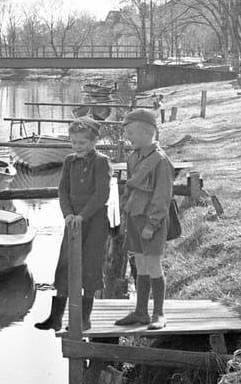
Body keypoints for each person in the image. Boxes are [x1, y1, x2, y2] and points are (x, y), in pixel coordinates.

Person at [35, 117, 111, 332]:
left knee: (90, 266)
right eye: (74, 142)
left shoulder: (101, 162)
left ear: (93, 142)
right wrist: (68, 214)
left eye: (82, 143)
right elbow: (63, 190)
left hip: (94, 222)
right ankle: (55, 317)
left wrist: (82, 216)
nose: (77, 147)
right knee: (65, 265)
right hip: (73, 223)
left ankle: (84, 319)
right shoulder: (69, 161)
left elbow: (101, 194)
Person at [115, 108, 174, 330]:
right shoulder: (133, 157)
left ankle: (159, 314)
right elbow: (131, 191)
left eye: (132, 133)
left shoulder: (160, 161)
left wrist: (152, 224)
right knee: (140, 265)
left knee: (153, 265)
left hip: (152, 222)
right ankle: (141, 312)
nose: (128, 138)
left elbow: (162, 196)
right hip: (135, 217)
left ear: (148, 132)